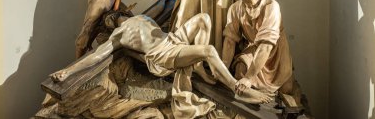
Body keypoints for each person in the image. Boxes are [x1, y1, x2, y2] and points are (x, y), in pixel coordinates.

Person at [51, 13, 273, 115]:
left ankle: (198, 68)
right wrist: (68, 70)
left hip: (172, 39)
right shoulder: (118, 35)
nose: (117, 18)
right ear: (111, 25)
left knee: (204, 18)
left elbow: (161, 19)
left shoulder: (142, 17)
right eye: (112, 19)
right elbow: (97, 56)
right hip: (163, 56)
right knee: (208, 50)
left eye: (116, 16)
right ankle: (237, 87)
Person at [221, 0, 299, 99]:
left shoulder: (271, 6)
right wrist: (223, 71)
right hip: (255, 48)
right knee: (241, 69)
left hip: (276, 51)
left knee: (287, 89)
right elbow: (230, 41)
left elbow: (266, 46)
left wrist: (249, 78)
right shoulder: (235, 8)